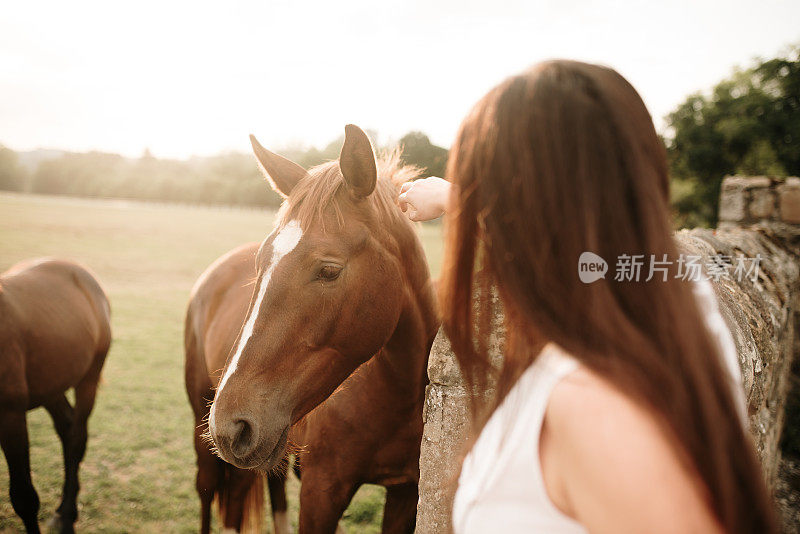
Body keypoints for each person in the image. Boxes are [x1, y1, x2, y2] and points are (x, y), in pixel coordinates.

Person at [398, 60, 776, 533]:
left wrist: (465, 198)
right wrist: (462, 197)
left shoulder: (593, 406)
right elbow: (588, 244)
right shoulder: (683, 304)